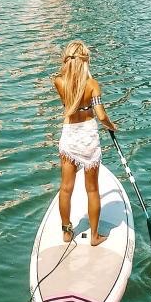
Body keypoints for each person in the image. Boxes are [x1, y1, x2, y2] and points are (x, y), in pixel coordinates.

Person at [52, 40, 117, 247]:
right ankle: (95, 236)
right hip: (88, 135)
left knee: (66, 188)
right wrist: (111, 126)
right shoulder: (93, 85)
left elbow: (70, 102)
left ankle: (66, 231)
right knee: (92, 189)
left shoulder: (58, 82)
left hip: (69, 134)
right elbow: (100, 115)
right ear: (85, 61)